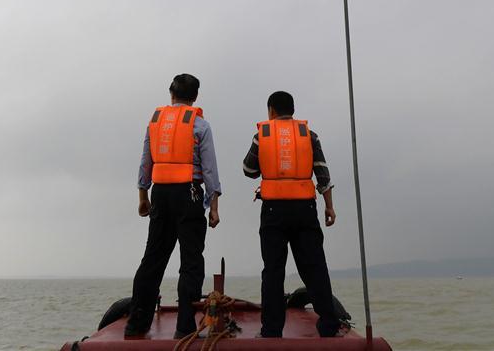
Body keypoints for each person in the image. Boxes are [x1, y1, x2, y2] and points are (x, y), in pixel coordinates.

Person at [125, 74, 222, 339]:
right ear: (195, 97)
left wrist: (143, 195)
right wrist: (213, 205)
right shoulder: (200, 125)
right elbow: (210, 169)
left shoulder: (155, 123)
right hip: (189, 194)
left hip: (160, 194)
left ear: (171, 94)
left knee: (153, 259)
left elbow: (146, 160)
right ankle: (184, 327)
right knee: (191, 261)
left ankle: (136, 325)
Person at [242, 90, 340, 338]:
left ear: (271, 111)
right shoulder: (309, 135)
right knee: (315, 267)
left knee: (273, 271)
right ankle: (329, 324)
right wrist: (329, 206)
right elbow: (323, 175)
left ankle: (271, 330)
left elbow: (248, 169)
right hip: (305, 210)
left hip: (274, 211)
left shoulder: (261, 135)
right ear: (292, 111)